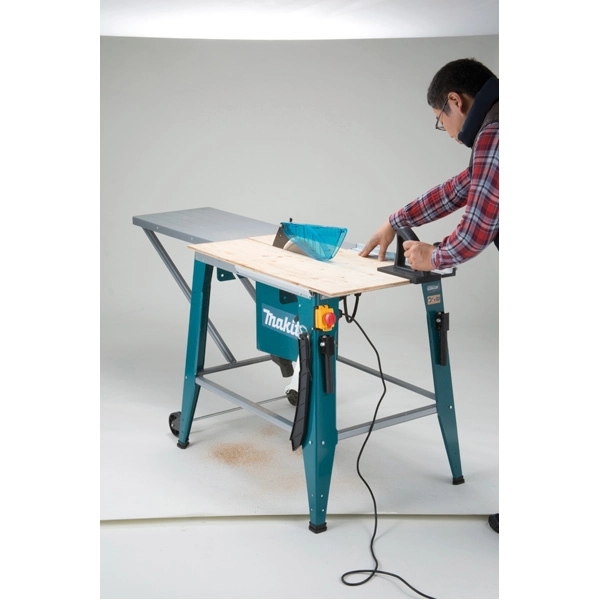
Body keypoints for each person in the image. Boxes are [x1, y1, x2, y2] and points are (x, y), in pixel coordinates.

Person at [359, 58, 499, 533]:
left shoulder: (495, 134)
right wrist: (395, 221)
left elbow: (473, 233)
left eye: (441, 118)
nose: (445, 129)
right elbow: (463, 188)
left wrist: (431, 255)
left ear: (456, 102)